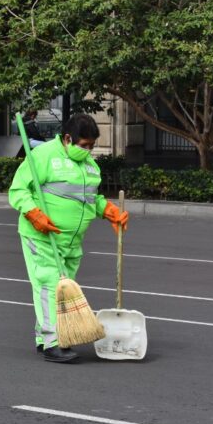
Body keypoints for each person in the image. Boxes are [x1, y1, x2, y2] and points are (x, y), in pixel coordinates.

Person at [8, 114, 129, 363]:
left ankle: (43, 338)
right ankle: (53, 341)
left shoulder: (90, 167)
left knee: (60, 291)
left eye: (92, 146)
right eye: (83, 145)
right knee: (49, 286)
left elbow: (90, 199)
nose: (88, 151)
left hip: (71, 243)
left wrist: (108, 211)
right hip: (41, 236)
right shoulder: (43, 156)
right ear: (67, 139)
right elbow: (18, 189)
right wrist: (33, 214)